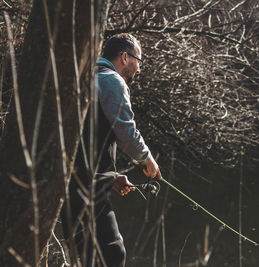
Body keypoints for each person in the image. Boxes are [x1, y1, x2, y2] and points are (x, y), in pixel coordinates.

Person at [61, 33, 161, 267]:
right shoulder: (111, 81)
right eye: (139, 61)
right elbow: (126, 135)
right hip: (84, 185)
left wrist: (109, 176)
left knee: (86, 257)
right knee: (113, 253)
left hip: (70, 182)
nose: (139, 69)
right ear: (124, 57)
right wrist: (148, 160)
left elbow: (80, 138)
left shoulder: (85, 78)